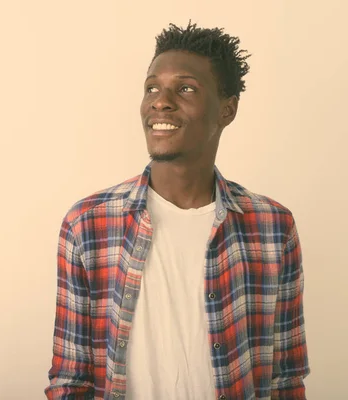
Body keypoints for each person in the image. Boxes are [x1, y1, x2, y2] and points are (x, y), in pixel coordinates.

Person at [45, 22, 309, 400]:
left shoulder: (272, 227)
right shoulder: (87, 225)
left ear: (227, 109)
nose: (160, 100)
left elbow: (286, 380)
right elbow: (71, 381)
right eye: (152, 87)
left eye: (185, 88)